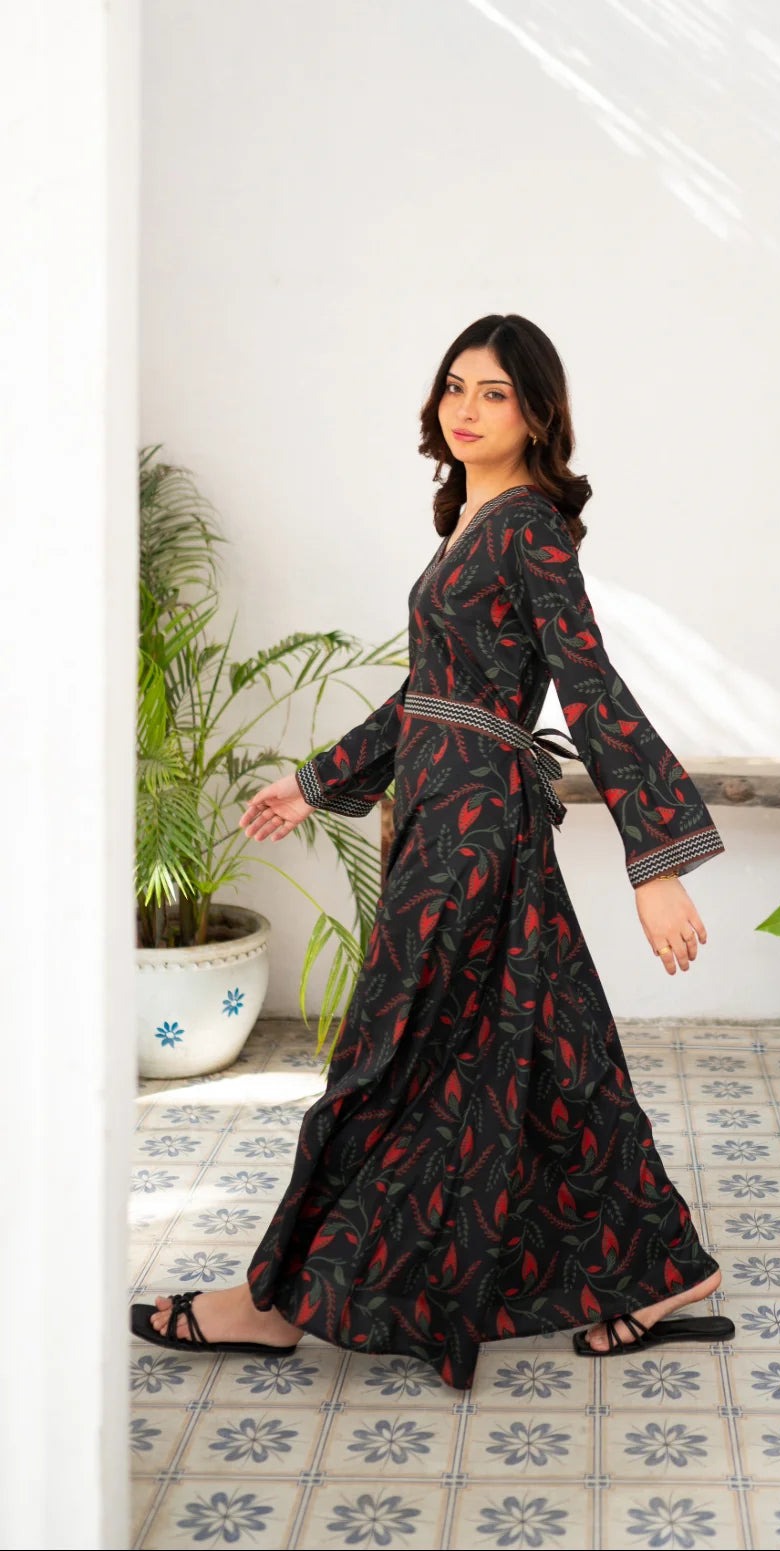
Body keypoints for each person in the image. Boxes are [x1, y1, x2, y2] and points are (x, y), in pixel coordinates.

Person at [131, 313, 731, 1389]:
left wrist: (660, 865)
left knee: (383, 1057)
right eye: (456, 385)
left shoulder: (529, 528)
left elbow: (591, 689)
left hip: (473, 834)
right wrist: (314, 782)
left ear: (539, 413)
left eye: (494, 392)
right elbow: (430, 699)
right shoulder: (472, 525)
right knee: (559, 1055)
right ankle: (667, 1267)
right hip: (451, 817)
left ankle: (272, 1301)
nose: (465, 406)